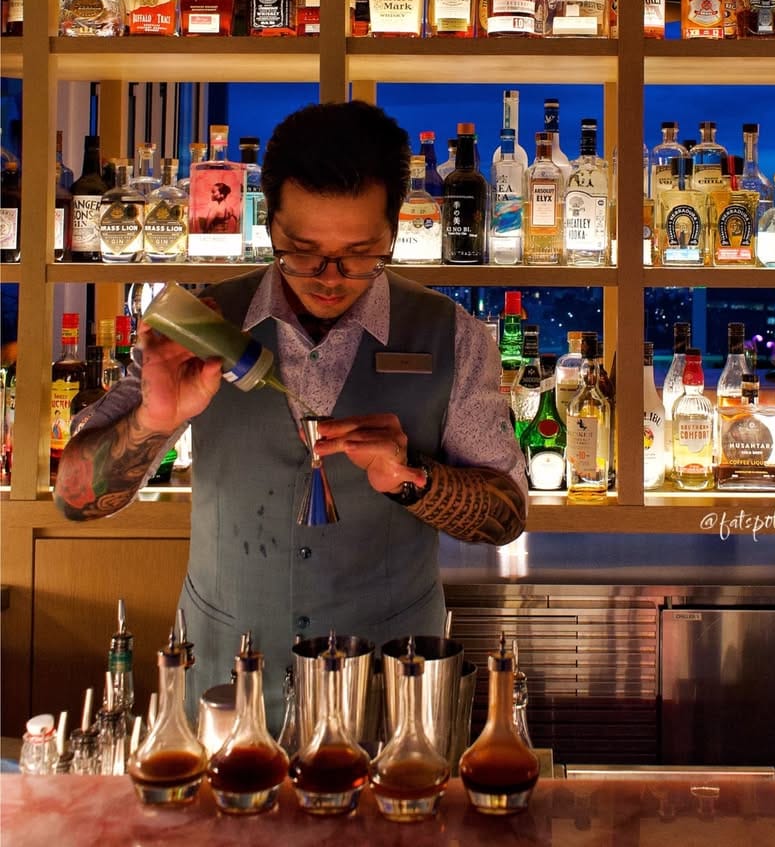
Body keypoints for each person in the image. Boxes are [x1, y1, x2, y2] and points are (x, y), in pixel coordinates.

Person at [55, 100, 527, 718]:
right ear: (269, 223)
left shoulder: (453, 335)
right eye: (302, 251)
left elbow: (507, 517)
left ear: (394, 229)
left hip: (388, 692)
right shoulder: (202, 324)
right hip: (223, 684)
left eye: (361, 253)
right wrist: (154, 421)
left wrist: (414, 479)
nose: (330, 277)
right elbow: (74, 500)